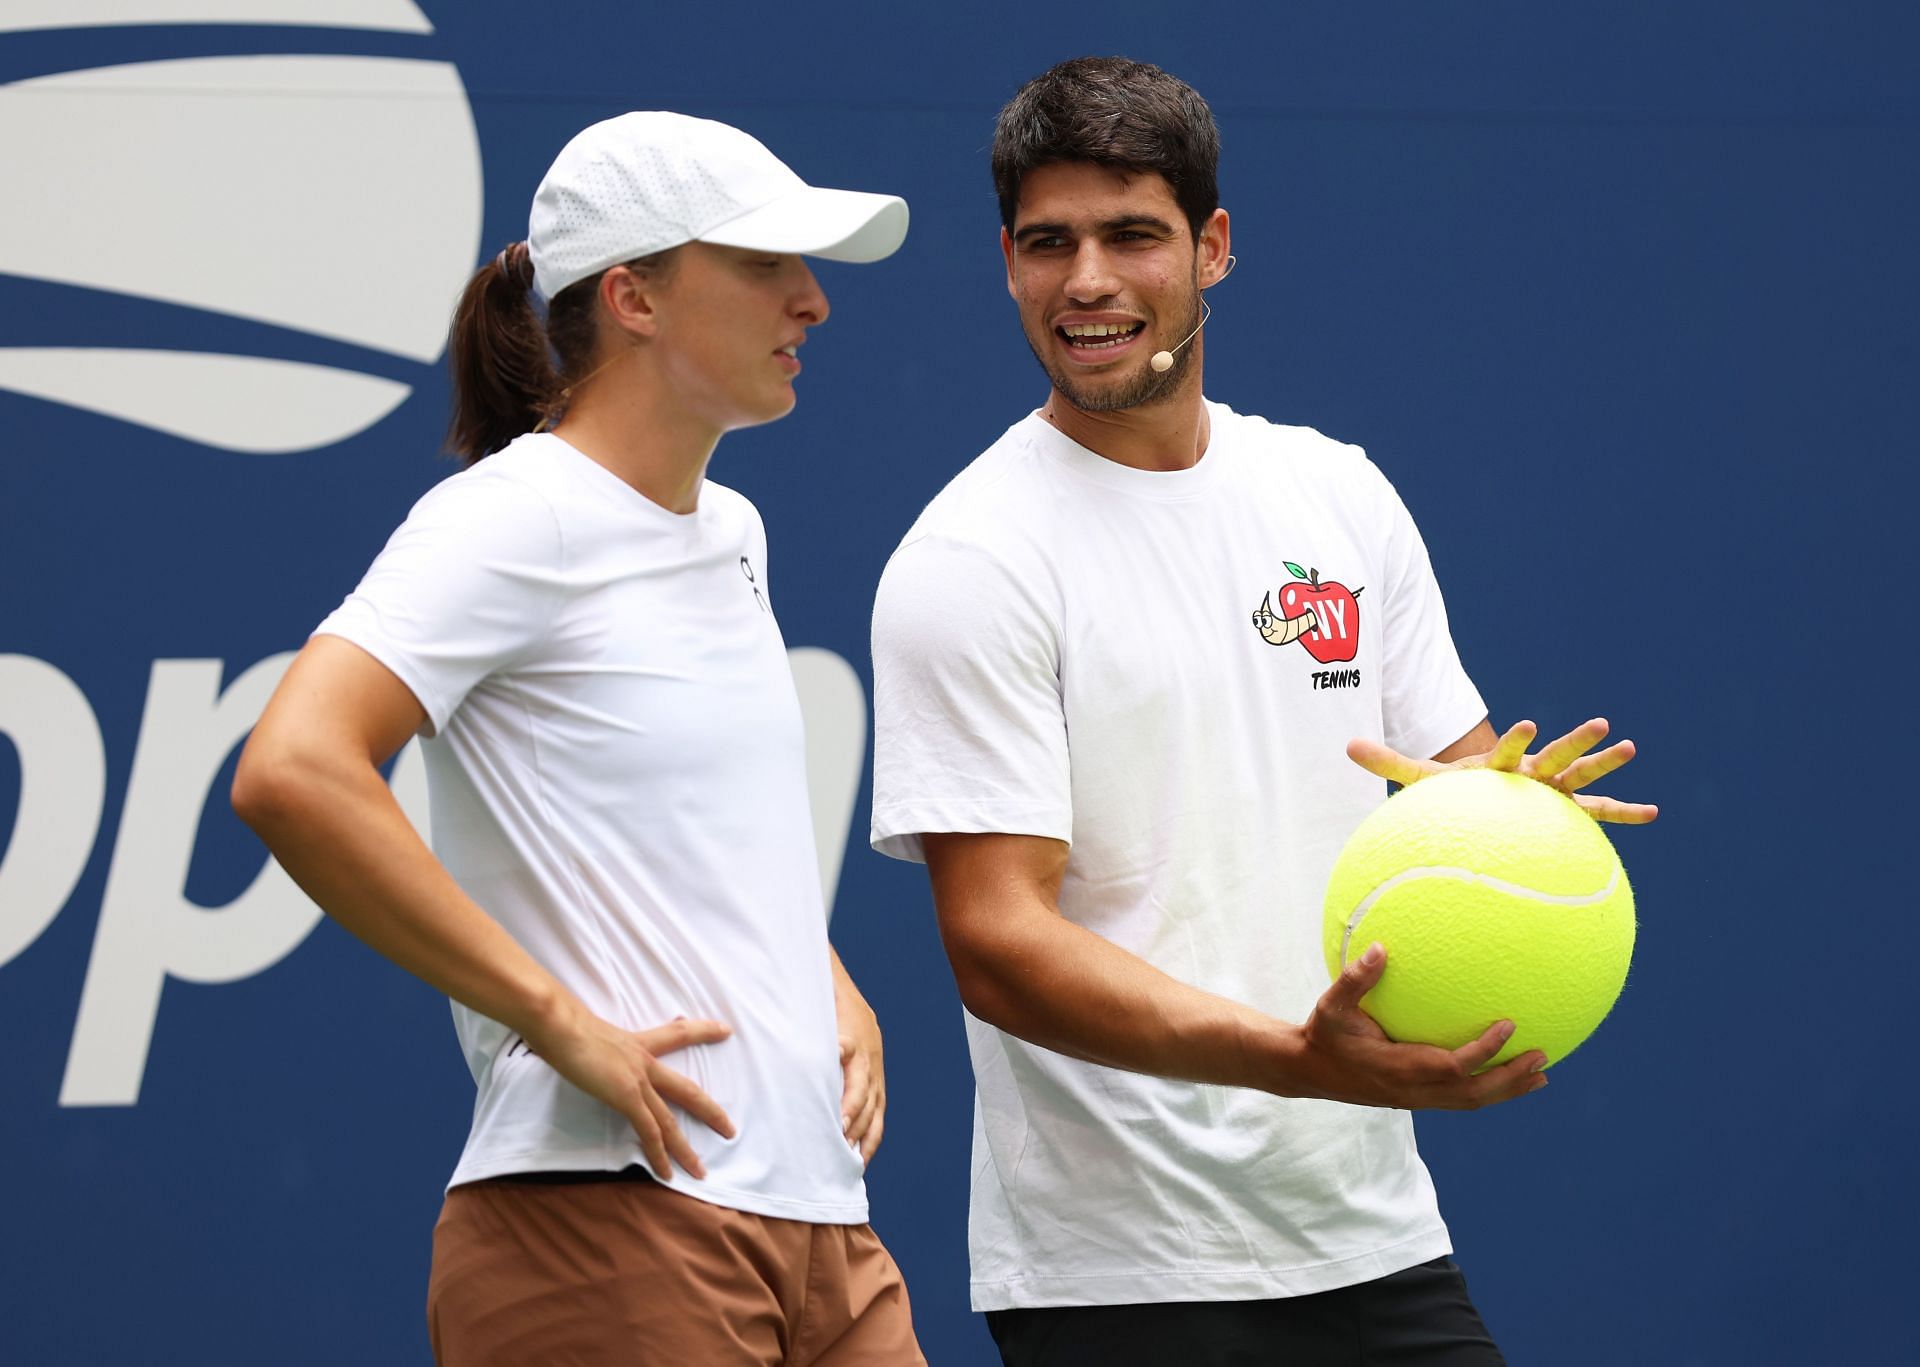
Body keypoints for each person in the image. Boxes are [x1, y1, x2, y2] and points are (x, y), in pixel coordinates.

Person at [869, 57, 1656, 1365]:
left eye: (1134, 235)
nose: (1090, 283)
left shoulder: (1336, 493)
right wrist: (1298, 1055)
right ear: (1007, 261)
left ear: (1212, 247)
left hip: (1374, 1234)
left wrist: (1517, 805)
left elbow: (1451, 781)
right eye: (1048, 243)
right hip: (1122, 1277)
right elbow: (996, 938)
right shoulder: (975, 557)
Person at [233, 111, 924, 1366]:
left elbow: (688, 831)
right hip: (604, 1220)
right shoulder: (511, 516)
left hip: (822, 1224)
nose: (812, 301)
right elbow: (292, 768)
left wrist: (817, 971)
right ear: (634, 297)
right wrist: (552, 1014)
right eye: (766, 264)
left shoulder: (737, 532)